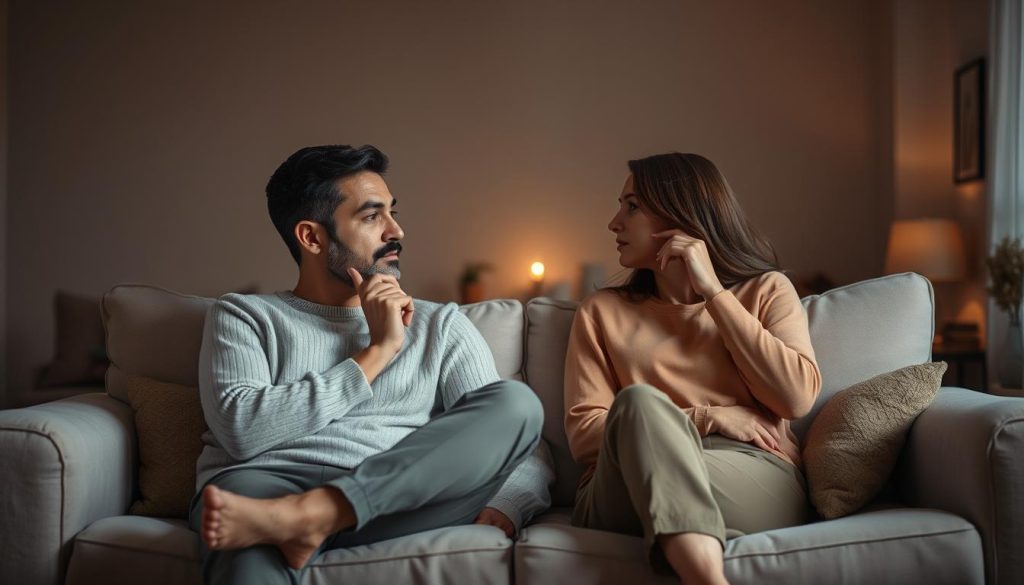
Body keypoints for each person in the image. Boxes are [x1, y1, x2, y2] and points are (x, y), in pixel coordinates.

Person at [191, 144, 554, 584]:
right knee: (241, 542)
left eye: (392, 212)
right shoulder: (244, 315)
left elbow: (518, 440)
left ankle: (317, 514)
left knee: (516, 403)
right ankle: (301, 516)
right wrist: (377, 352)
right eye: (371, 216)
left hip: (399, 501)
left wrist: (509, 503)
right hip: (264, 493)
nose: (395, 231)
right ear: (312, 237)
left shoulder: (441, 324)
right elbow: (242, 431)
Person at [563, 153, 820, 585]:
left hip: (745, 472)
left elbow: (795, 397)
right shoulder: (601, 311)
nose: (613, 223)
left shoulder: (768, 290)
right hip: (623, 481)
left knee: (645, 409)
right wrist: (708, 417)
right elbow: (586, 435)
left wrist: (713, 294)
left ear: (680, 216)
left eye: (631, 206)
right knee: (640, 402)